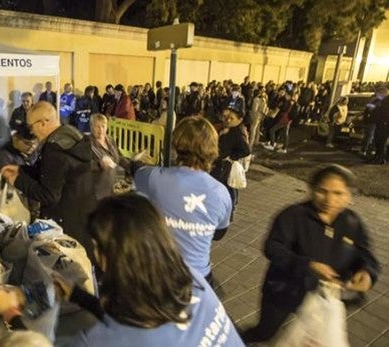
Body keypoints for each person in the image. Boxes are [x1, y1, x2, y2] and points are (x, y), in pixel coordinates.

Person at [62, 194, 243, 346]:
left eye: (96, 246)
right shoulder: (190, 278)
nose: (94, 253)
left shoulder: (99, 340)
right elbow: (135, 316)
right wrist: (77, 295)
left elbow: (127, 328)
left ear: (113, 257)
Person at [240, 165, 379, 343]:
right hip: (284, 292)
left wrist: (367, 273)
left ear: (348, 196)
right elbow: (272, 247)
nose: (329, 199)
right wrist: (307, 265)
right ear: (312, 189)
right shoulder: (293, 216)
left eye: (338, 193)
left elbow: (366, 255)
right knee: (266, 333)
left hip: (324, 299)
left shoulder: (352, 223)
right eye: (323, 191)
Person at [135, 117, 232, 283]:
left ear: (177, 145)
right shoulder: (222, 193)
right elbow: (219, 233)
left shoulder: (154, 178)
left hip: (160, 276)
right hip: (199, 278)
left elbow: (136, 171)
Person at [0, 101, 96, 258]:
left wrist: (17, 180)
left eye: (31, 126)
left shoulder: (54, 149)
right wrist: (22, 170)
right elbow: (53, 175)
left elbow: (49, 195)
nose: (31, 132)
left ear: (43, 123)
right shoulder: (71, 135)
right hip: (82, 214)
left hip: (65, 223)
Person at [210, 106, 250, 219]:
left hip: (225, 166)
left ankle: (230, 212)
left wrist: (232, 157)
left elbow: (246, 150)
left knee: (229, 187)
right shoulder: (225, 129)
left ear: (239, 120)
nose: (227, 120)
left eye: (231, 118)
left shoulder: (237, 133)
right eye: (226, 117)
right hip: (218, 164)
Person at [90, 114, 130, 200]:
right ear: (91, 127)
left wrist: (132, 162)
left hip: (118, 179)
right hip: (100, 182)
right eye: (97, 126)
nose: (100, 130)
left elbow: (119, 157)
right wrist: (99, 164)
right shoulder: (87, 144)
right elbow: (85, 164)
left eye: (103, 126)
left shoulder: (110, 140)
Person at [370, 87, 389, 165]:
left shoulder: (387, 101)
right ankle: (377, 157)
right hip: (379, 123)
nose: (378, 95)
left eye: (379, 93)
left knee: (381, 142)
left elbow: (385, 112)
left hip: (385, 124)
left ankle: (380, 158)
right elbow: (369, 108)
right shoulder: (379, 101)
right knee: (377, 141)